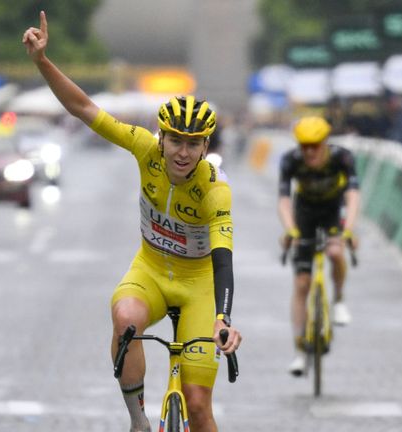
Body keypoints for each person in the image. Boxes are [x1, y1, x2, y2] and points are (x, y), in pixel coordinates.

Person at [23, 12, 242, 432]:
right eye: (175, 140)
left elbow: (223, 259)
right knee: (126, 319)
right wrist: (42, 62)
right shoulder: (145, 150)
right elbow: (85, 108)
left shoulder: (215, 189)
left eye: (192, 144)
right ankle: (139, 421)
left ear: (205, 146)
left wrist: (223, 318)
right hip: (151, 272)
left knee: (198, 407)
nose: (182, 152)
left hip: (199, 288)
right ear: (160, 137)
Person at [277, 116, 360, 376]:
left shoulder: (342, 158)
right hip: (305, 215)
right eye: (305, 146)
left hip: (333, 211)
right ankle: (300, 350)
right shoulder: (290, 160)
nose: (310, 151)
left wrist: (349, 229)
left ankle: (339, 299)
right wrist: (290, 229)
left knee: (335, 252)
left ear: (325, 143)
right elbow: (283, 199)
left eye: (315, 145)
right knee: (302, 284)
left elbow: (353, 195)